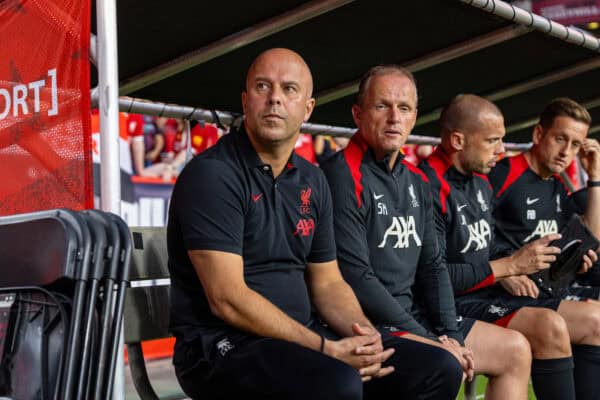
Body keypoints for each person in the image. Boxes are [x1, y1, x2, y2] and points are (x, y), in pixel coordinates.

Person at [167, 49, 462, 400]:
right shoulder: (213, 174)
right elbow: (227, 299)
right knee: (337, 383)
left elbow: (328, 282)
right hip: (223, 347)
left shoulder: (311, 179)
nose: (275, 98)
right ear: (246, 101)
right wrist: (324, 348)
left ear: (307, 109)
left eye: (289, 89)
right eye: (263, 86)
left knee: (438, 368)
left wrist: (365, 336)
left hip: (302, 338)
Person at [321, 66, 531, 400]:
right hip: (367, 321)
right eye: (382, 106)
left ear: (415, 117)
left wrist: (451, 334)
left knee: (515, 350)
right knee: (443, 363)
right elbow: (357, 278)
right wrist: (430, 339)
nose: (394, 118)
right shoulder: (340, 175)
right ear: (358, 114)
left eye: (403, 109)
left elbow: (432, 265)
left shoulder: (416, 181)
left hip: (414, 318)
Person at [420, 94, 600, 400]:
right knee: (546, 328)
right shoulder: (449, 180)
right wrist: (508, 269)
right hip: (463, 300)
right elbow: (432, 272)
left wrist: (594, 180)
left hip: (508, 290)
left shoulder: (483, 182)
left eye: (575, 144)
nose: (501, 150)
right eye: (493, 140)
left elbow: (489, 247)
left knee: (594, 320)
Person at [489, 97, 600, 300]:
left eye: (575, 144)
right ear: (539, 134)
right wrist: (502, 273)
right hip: (512, 292)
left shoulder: (557, 185)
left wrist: (594, 177)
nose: (566, 152)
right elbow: (468, 235)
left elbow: (592, 237)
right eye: (560, 139)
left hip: (551, 287)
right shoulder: (504, 173)